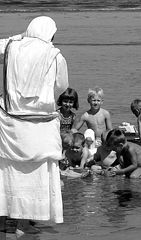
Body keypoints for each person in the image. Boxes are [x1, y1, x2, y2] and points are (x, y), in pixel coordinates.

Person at [0, 16, 68, 235]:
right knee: (36, 171)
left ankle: (2, 220)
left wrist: (17, 37)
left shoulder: (11, 47)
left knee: (7, 170)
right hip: (41, 123)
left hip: (9, 121)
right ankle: (23, 222)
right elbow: (62, 86)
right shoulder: (54, 55)